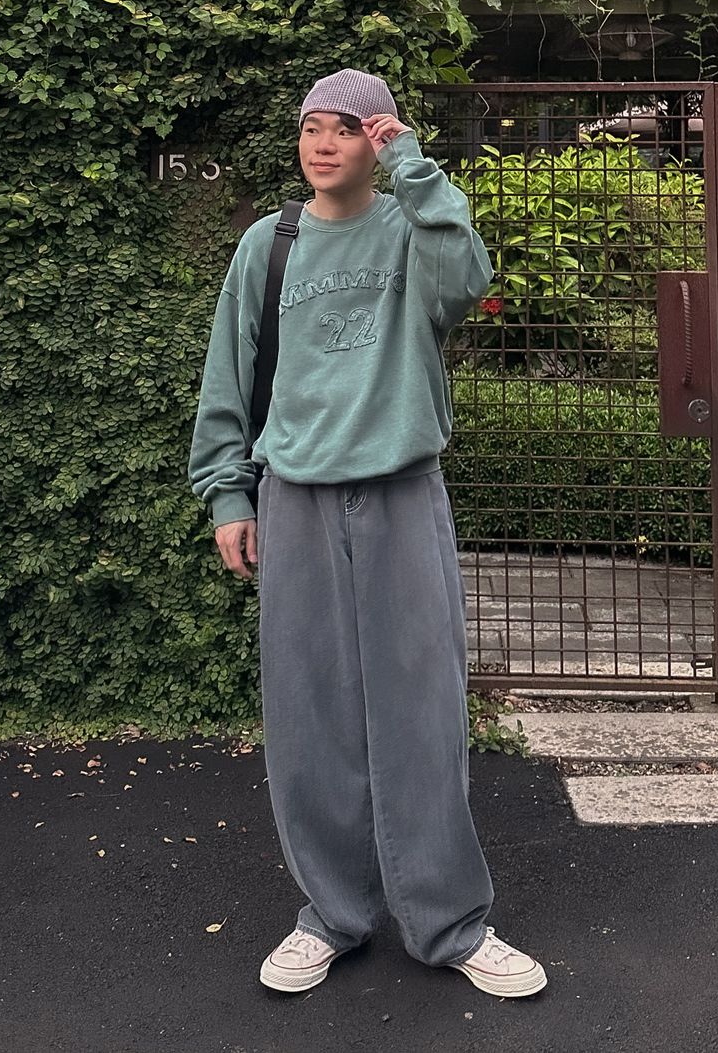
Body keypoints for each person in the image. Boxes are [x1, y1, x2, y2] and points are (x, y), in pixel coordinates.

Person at [188, 68, 548, 1001]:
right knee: (309, 715)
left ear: (375, 138)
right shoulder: (268, 245)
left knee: (423, 712)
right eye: (312, 125)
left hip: (400, 493)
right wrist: (229, 495)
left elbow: (468, 281)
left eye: (346, 127)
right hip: (296, 500)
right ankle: (333, 914)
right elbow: (228, 376)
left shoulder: (410, 229)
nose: (323, 141)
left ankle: (449, 923)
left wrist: (416, 168)